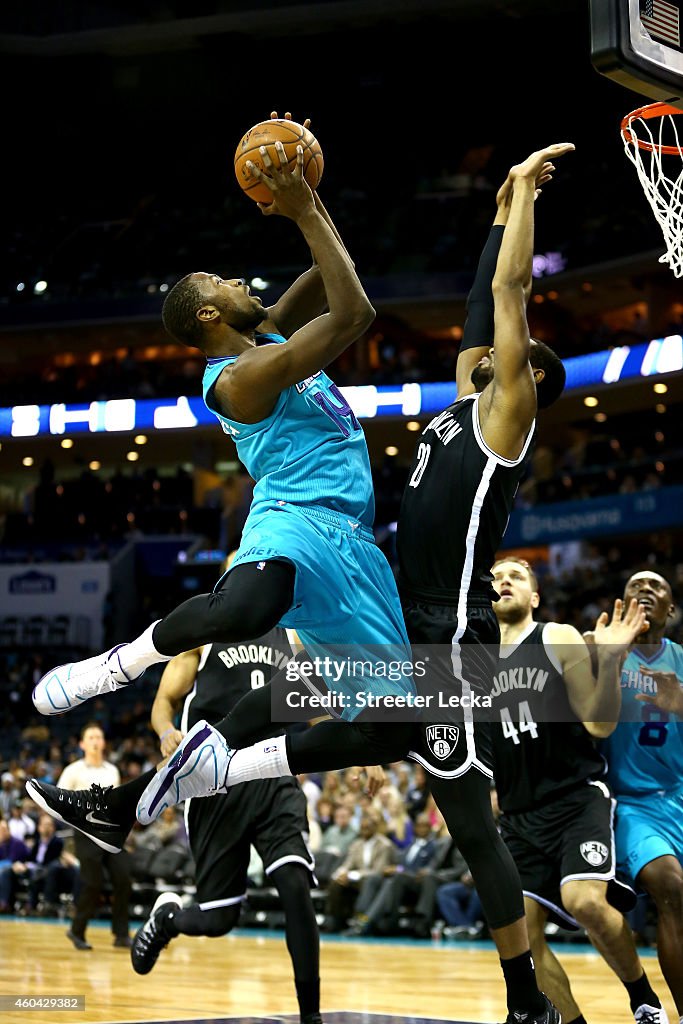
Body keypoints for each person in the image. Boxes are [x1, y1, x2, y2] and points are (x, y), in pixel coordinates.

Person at [28, 139, 572, 1022]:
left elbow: (498, 302)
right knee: (264, 638)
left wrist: (308, 197)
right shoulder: (305, 379)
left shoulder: (501, 412)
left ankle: (531, 1001)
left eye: (506, 357)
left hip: (413, 604)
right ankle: (124, 693)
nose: (484, 356)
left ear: (519, 377)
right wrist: (492, 210)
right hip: (331, 547)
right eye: (224, 284)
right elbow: (476, 304)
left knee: (441, 791)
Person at [489, 557, 667, 1024]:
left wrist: (608, 663)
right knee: (520, 937)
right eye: (495, 576)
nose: (503, 581)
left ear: (535, 597)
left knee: (584, 901)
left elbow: (599, 721)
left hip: (574, 799)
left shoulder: (555, 636)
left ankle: (644, 1000)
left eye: (516, 576)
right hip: (518, 817)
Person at [129, 624, 325, 1024]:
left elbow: (320, 705)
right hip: (215, 782)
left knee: (294, 884)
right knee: (219, 920)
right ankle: (168, 919)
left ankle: (312, 1017)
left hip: (273, 770)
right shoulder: (204, 635)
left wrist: (365, 754)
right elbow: (164, 700)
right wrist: (167, 733)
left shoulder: (292, 636)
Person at [587, 570, 683, 1023]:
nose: (645, 588)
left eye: (657, 586)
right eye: (634, 585)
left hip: (679, 793)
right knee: (670, 888)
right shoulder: (599, 649)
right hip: (631, 803)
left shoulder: (681, 660)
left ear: (671, 610)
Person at [56, 722, 132, 950]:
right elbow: (59, 801)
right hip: (85, 833)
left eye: (98, 737)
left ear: (104, 742)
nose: (95, 741)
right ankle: (76, 930)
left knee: (124, 877)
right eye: (91, 737)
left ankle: (121, 934)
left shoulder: (112, 771)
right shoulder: (73, 771)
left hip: (109, 832)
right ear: (82, 744)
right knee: (92, 883)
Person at [343, 811, 441, 937]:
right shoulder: (410, 845)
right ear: (415, 827)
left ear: (430, 827)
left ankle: (365, 924)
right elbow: (400, 864)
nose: (421, 828)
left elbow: (430, 869)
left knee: (395, 879)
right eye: (419, 825)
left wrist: (400, 871)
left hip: (417, 882)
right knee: (374, 878)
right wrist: (391, 868)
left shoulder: (434, 846)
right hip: (400, 880)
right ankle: (359, 917)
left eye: (425, 825)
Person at [323, 812, 395, 933]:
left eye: (367, 827)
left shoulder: (384, 845)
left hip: (375, 881)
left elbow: (377, 871)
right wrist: (340, 874)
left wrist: (352, 875)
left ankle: (358, 923)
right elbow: (348, 863)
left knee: (368, 882)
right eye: (362, 827)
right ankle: (335, 921)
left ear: (375, 828)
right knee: (335, 883)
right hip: (356, 879)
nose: (364, 830)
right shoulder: (357, 844)